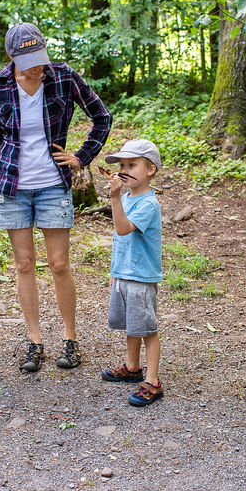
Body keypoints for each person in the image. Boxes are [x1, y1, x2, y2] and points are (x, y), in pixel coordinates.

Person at [0, 22, 112, 372]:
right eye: (29, 61)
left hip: (53, 184)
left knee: (59, 264)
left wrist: (81, 157)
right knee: (23, 264)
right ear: (11, 57)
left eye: (40, 58)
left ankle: (70, 340)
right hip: (12, 186)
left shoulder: (64, 77)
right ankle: (35, 341)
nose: (38, 67)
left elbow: (102, 117)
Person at [98, 139, 164, 407]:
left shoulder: (148, 204)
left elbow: (123, 229)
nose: (124, 170)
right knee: (131, 326)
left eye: (131, 165)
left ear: (150, 170)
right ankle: (132, 366)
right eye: (121, 165)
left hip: (140, 277)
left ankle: (153, 381)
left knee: (147, 329)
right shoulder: (126, 198)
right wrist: (115, 272)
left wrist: (113, 198)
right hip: (124, 274)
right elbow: (119, 239)